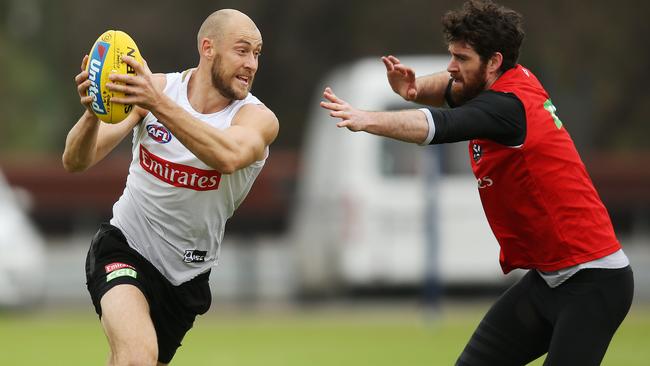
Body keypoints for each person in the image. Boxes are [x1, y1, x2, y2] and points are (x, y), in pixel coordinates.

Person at [320, 1, 633, 365]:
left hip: (593, 283)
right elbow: (453, 87)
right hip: (549, 281)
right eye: (452, 55)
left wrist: (368, 119)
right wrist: (415, 87)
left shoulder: (507, 108)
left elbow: (439, 126)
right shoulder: (512, 80)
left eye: (462, 58)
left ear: (495, 61)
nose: (452, 67)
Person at [63, 9, 278, 366]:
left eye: (257, 54)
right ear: (208, 48)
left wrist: (155, 103)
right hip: (125, 247)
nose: (251, 64)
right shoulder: (159, 90)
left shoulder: (256, 118)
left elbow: (227, 155)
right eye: (242, 50)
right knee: (136, 358)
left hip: (186, 276)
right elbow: (75, 160)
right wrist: (93, 111)